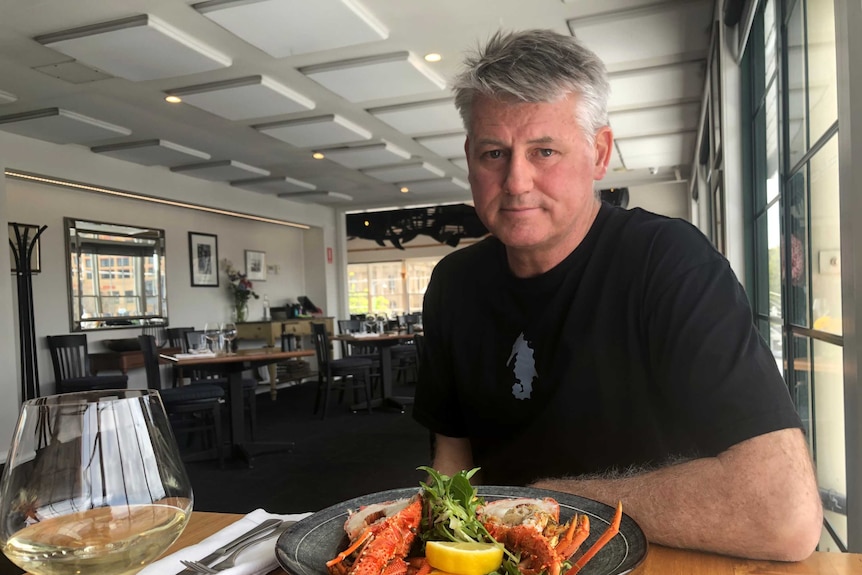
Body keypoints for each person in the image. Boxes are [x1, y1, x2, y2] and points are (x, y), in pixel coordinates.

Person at [412, 29, 822, 561]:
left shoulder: (669, 261)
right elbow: (452, 462)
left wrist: (551, 502)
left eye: (544, 151)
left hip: (651, 560)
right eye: (494, 153)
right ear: (470, 158)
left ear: (599, 153)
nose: (515, 181)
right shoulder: (454, 283)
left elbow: (784, 517)